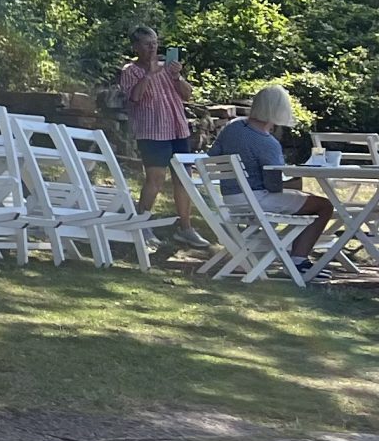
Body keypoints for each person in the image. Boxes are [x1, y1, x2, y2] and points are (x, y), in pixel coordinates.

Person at [208, 85, 333, 270]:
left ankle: (293, 253)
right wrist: (294, 181)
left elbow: (213, 157)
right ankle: (298, 260)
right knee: (324, 205)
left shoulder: (232, 128)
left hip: (230, 199)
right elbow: (274, 186)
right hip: (256, 200)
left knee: (305, 198)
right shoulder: (267, 142)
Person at [117, 26, 205, 248]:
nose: (153, 48)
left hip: (177, 129)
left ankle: (185, 229)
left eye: (155, 43)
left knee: (183, 179)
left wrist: (176, 77)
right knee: (155, 179)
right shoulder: (131, 71)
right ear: (136, 47)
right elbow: (134, 98)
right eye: (147, 44)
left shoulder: (168, 68)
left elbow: (187, 94)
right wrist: (149, 74)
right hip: (152, 131)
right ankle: (142, 225)